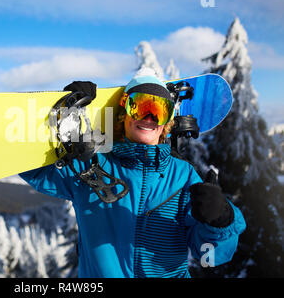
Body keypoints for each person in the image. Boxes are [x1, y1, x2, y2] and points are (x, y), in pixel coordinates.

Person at [19, 70, 246, 278]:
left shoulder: (182, 176)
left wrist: (220, 220)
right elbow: (33, 168)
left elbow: (210, 257)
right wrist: (60, 115)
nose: (149, 117)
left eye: (159, 111)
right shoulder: (90, 164)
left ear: (167, 122)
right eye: (139, 106)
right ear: (123, 114)